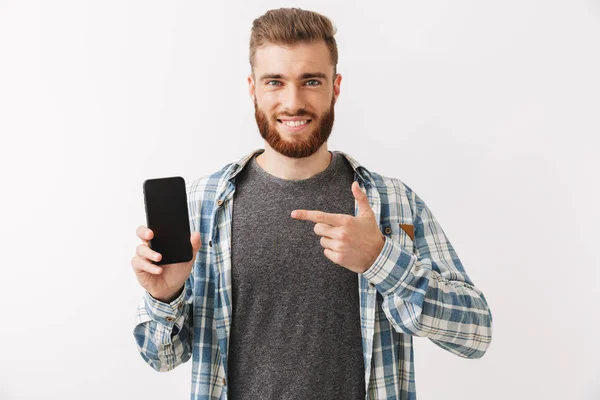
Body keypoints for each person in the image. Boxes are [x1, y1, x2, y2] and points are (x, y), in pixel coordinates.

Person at [131, 7, 493, 400]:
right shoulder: (203, 205)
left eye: (311, 81)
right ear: (252, 87)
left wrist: (382, 262)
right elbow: (160, 357)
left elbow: (476, 333)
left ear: (335, 87)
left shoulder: (394, 203)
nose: (293, 101)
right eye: (275, 82)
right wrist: (164, 297)